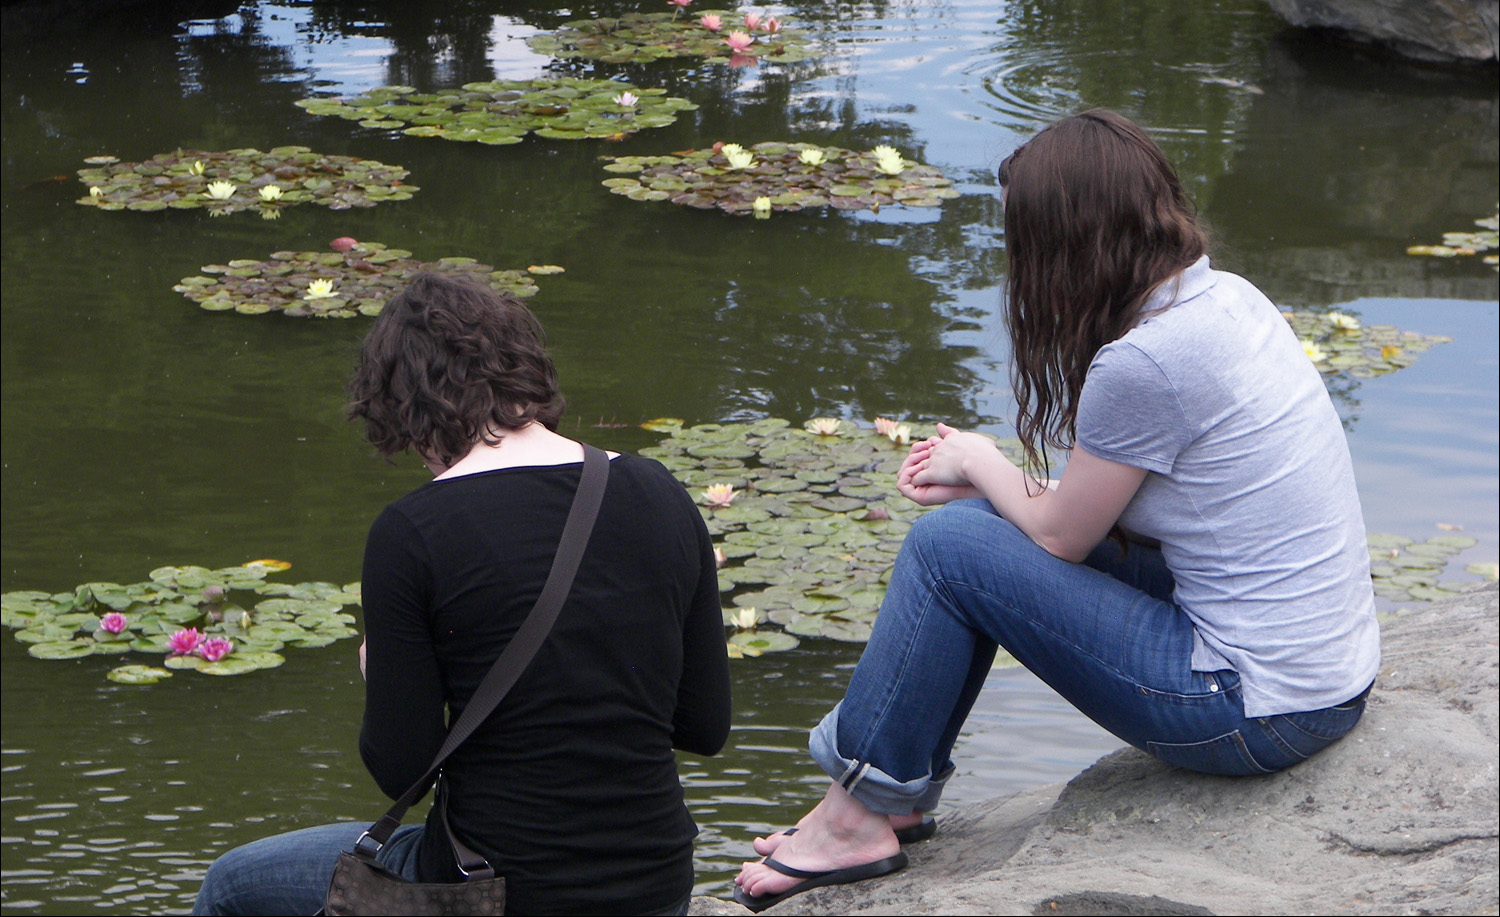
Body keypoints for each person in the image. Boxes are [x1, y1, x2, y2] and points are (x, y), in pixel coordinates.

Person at [735, 109, 1380, 911]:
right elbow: (1112, 515)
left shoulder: (1146, 360)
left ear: (1064, 246)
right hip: (1324, 678)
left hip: (1251, 707)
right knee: (976, 535)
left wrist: (980, 461)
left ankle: (856, 817)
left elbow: (1064, 536)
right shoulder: (1226, 301)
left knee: (945, 551)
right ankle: (884, 795)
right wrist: (1002, 497)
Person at [194, 272, 731, 916]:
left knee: (232, 886)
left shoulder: (413, 532)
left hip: (499, 890)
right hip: (655, 885)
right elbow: (704, 726)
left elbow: (401, 770)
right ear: (522, 372)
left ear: (404, 402)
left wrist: (381, 674)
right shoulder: (659, 491)